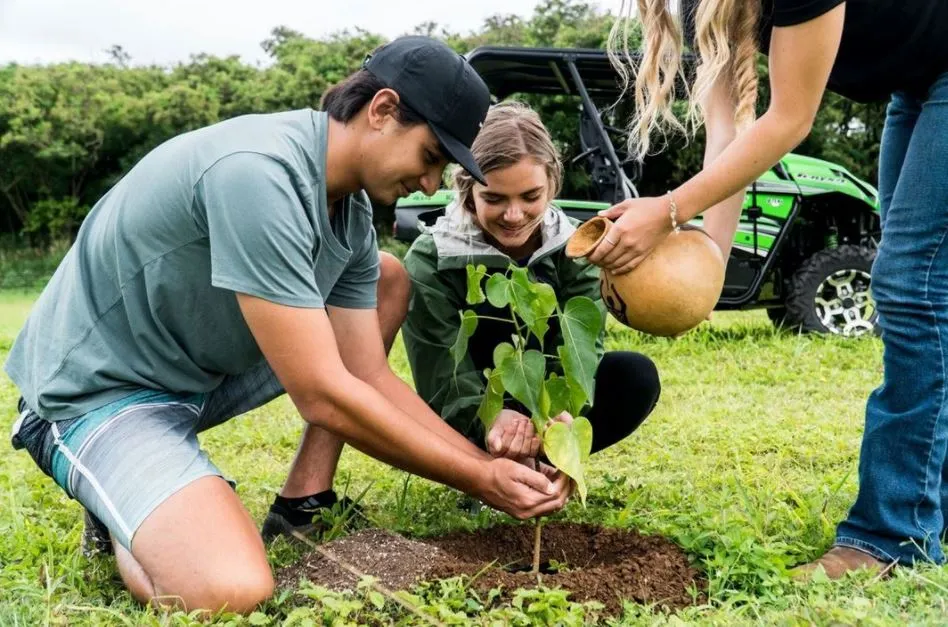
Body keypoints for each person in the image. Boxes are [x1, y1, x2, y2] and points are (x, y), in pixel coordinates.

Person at [6, 36, 571, 614]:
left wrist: (488, 467)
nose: (430, 185)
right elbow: (325, 393)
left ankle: (296, 500)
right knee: (229, 589)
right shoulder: (260, 174)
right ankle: (126, 507)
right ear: (381, 111)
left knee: (387, 278)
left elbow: (366, 376)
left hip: (189, 379)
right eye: (430, 157)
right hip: (93, 392)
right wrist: (477, 477)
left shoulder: (348, 214)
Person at [597, 1, 948, 577]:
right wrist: (707, 262)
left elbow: (790, 118)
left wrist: (665, 210)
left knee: (913, 287)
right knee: (922, 289)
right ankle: (926, 507)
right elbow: (728, 131)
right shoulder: (701, 6)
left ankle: (893, 538)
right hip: (916, 84)